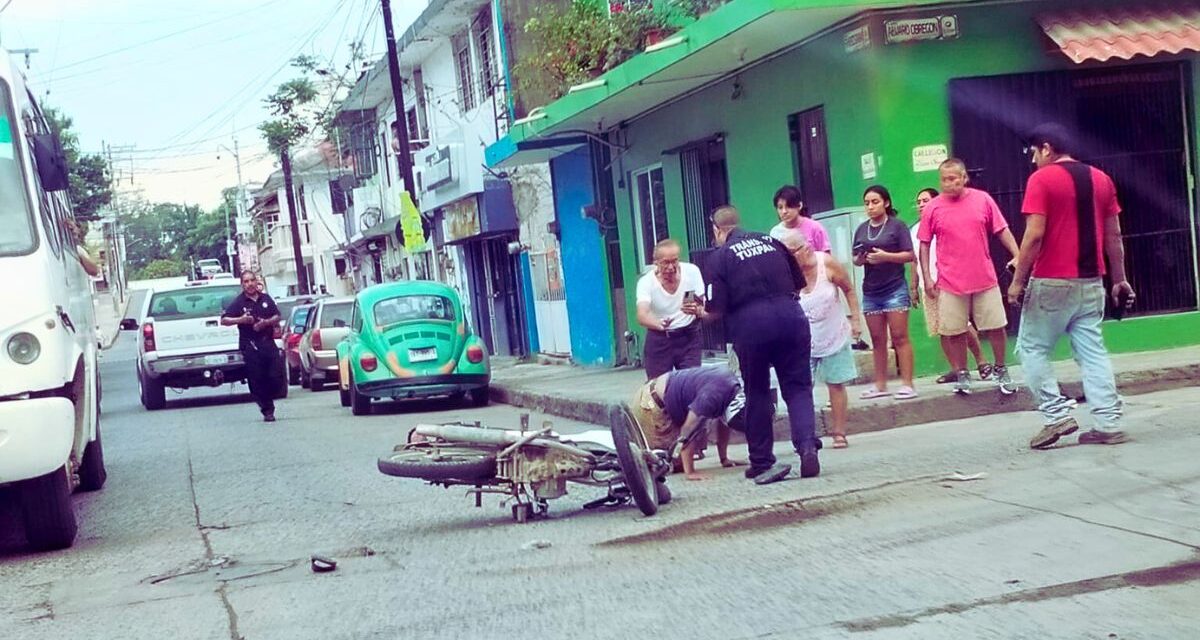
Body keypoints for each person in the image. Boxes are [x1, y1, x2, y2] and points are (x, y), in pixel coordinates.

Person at [1008, 123, 1136, 449]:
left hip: (1051, 281)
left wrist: (1017, 281)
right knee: (1093, 353)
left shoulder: (1041, 179)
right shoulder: (1101, 179)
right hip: (1092, 283)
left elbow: (1034, 235)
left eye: (1034, 152)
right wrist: (1119, 279)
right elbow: (1114, 236)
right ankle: (1107, 424)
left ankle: (1055, 415)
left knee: (1034, 348)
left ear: (1047, 148)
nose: (1033, 160)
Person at [697, 205, 817, 484]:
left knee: (757, 391)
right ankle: (808, 448)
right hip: (792, 318)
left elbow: (716, 310)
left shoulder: (720, 256)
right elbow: (799, 284)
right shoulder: (772, 241)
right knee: (798, 388)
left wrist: (700, 313)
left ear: (718, 230)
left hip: (751, 326)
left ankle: (762, 461)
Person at [918, 159, 1021, 396]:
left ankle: (1001, 368)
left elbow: (1001, 230)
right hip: (950, 281)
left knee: (996, 326)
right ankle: (962, 372)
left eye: (953, 178)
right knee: (953, 331)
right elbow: (924, 244)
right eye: (944, 179)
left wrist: (1017, 255)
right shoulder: (933, 208)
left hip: (984, 278)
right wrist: (927, 277)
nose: (949, 184)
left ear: (964, 177)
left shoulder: (983, 199)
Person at [779, 229, 863, 449]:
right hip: (801, 339)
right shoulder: (785, 273)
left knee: (836, 383)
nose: (790, 258)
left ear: (806, 247)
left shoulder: (826, 264)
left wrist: (856, 320)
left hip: (833, 332)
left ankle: (839, 433)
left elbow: (849, 290)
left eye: (792, 252)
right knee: (801, 388)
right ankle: (807, 436)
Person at [909, 188, 991, 384]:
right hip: (927, 284)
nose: (921, 204)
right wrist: (914, 286)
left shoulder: (945, 222)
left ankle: (982, 361)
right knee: (941, 328)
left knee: (962, 325)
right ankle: (957, 369)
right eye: (918, 201)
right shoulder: (914, 230)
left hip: (947, 282)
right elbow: (914, 260)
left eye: (925, 200)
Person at [852, 185, 917, 400]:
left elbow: (909, 255)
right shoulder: (861, 229)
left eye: (875, 202)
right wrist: (860, 259)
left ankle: (907, 384)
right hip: (871, 291)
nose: (870, 207)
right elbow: (855, 258)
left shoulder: (897, 226)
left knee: (899, 336)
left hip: (894, 288)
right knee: (877, 339)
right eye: (867, 203)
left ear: (886, 203)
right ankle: (880, 385)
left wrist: (885, 256)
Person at [629, 364, 746, 481]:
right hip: (650, 404)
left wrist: (724, 459)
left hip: (661, 393)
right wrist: (690, 472)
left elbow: (723, 426)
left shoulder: (731, 387)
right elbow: (688, 429)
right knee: (664, 463)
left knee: (683, 450)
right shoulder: (712, 397)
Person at [635, 239, 706, 379]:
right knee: (658, 387)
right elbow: (642, 314)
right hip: (660, 338)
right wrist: (658, 324)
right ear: (656, 263)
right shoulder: (646, 282)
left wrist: (697, 309)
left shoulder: (691, 271)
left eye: (674, 261)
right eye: (666, 262)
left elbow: (702, 302)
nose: (671, 267)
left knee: (690, 383)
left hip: (689, 336)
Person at [221, 271, 283, 422]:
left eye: (252, 280)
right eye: (246, 281)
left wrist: (266, 323)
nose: (249, 284)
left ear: (256, 282)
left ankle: (272, 395)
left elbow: (277, 315)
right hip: (250, 345)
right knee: (257, 378)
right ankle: (267, 410)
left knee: (275, 375)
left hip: (267, 342)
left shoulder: (265, 298)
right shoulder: (239, 302)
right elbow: (224, 320)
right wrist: (241, 320)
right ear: (242, 284)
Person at [768, 185, 832, 252]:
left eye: (789, 206)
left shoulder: (815, 228)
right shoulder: (775, 233)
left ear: (799, 205)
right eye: (780, 207)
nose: (784, 211)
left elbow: (827, 257)